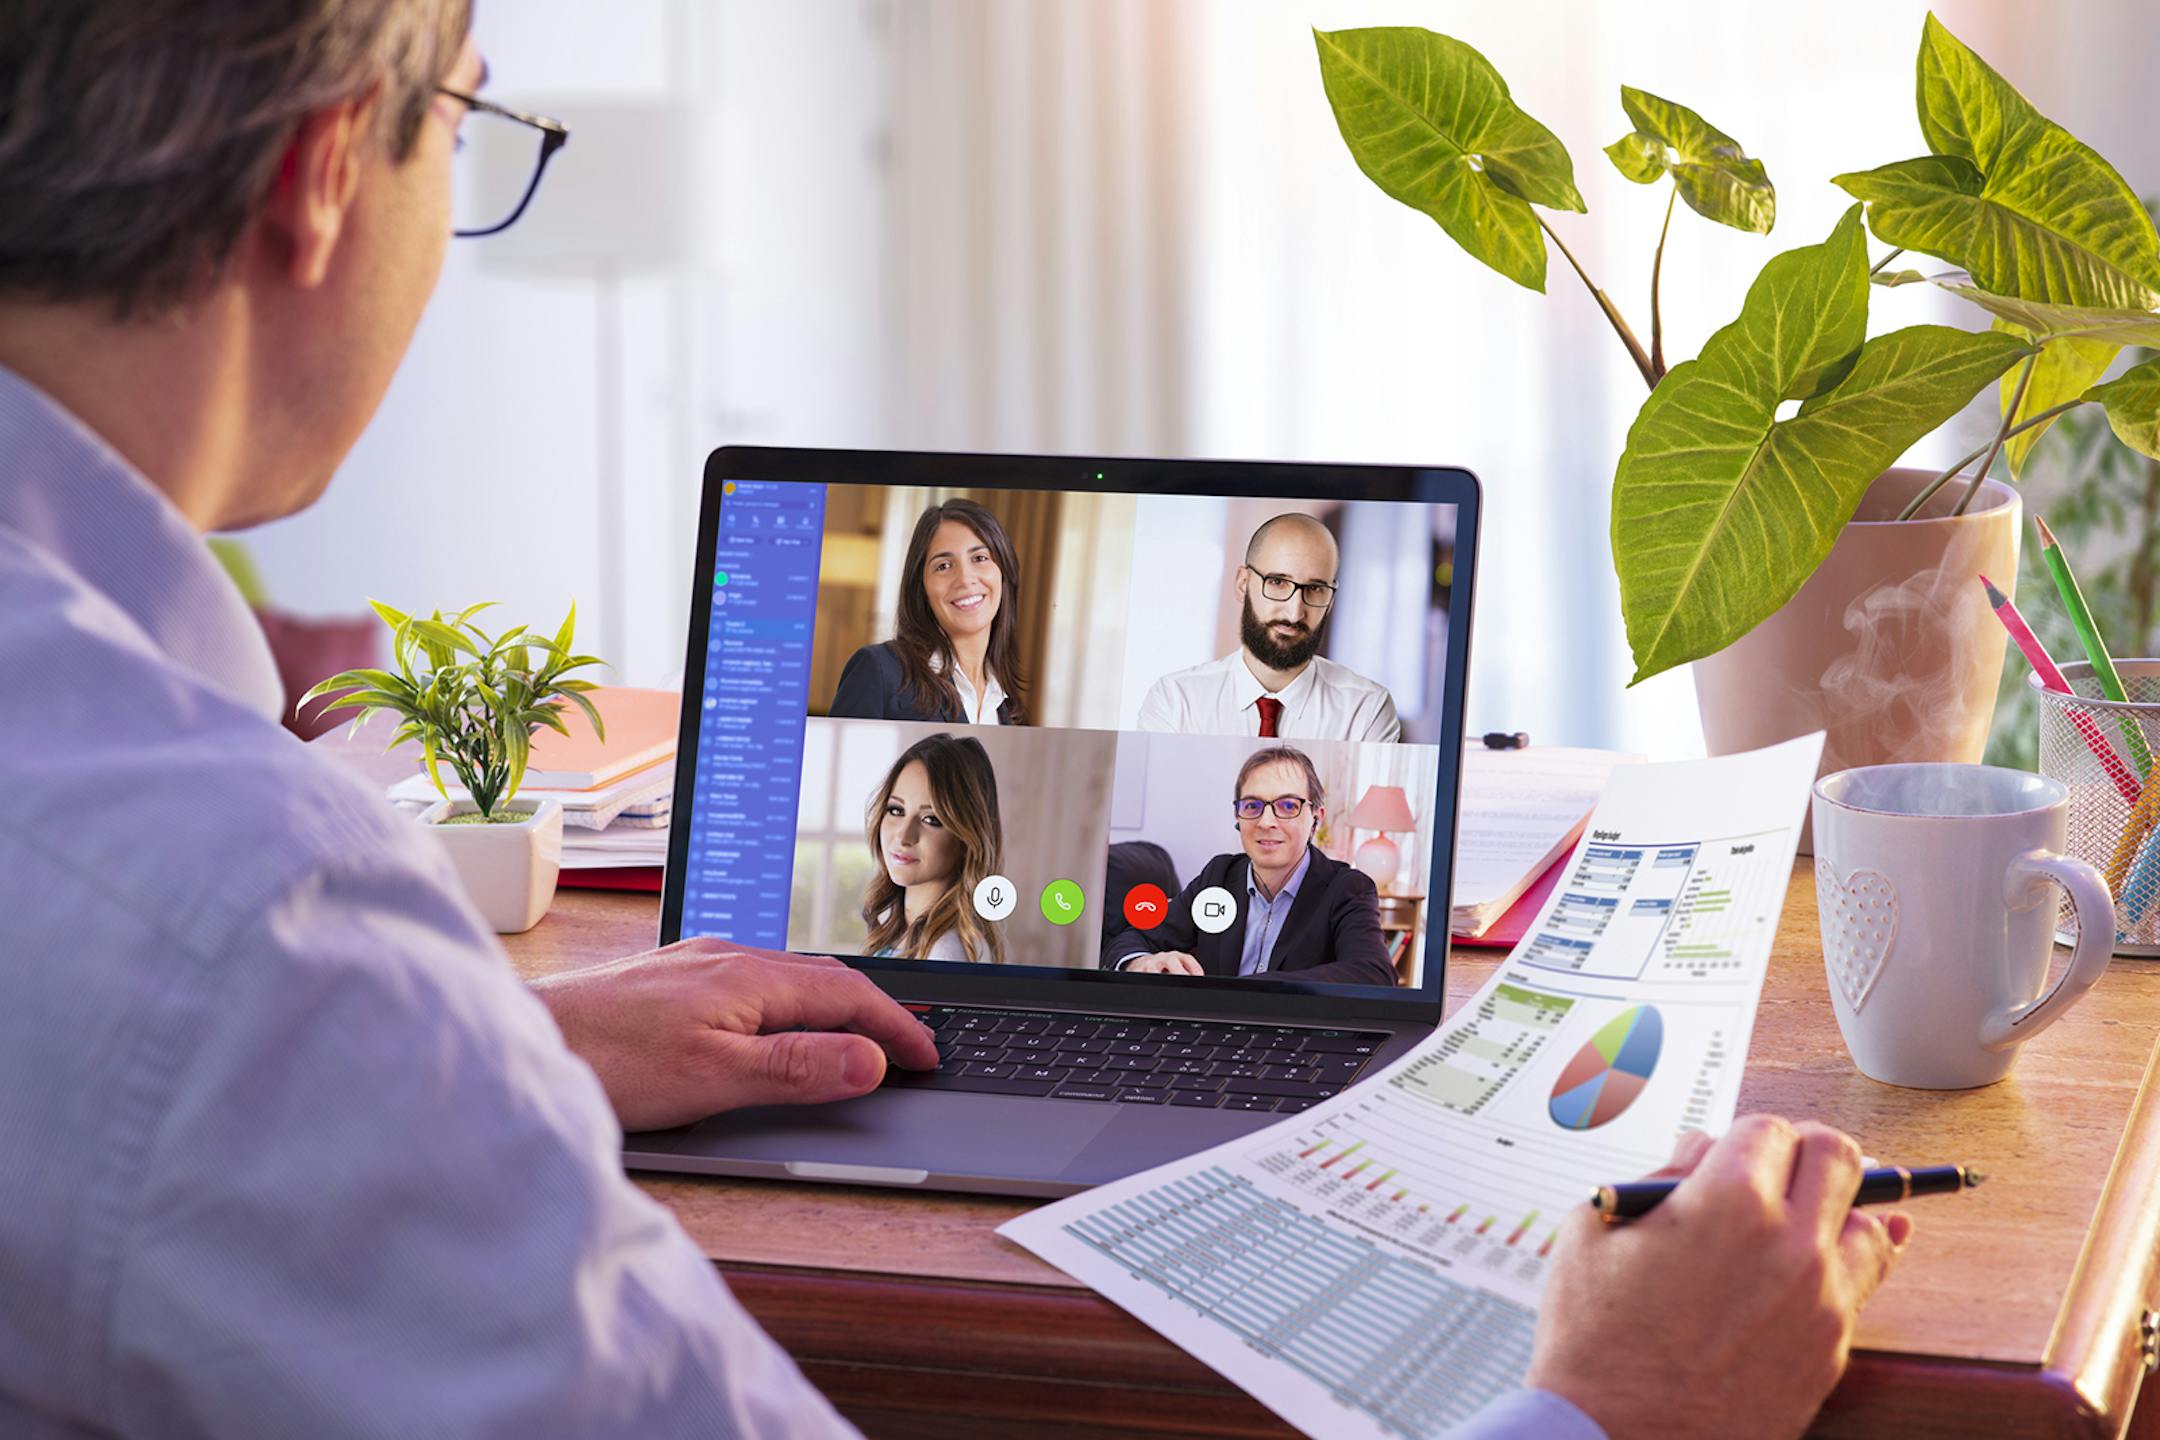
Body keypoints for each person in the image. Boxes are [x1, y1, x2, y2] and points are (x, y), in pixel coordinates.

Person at [0, 5, 1908, 1437]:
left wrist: (479, 1044)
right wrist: (1611, 1403)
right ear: (328, 164)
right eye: (467, 114)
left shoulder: (208, 910)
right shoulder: (251, 930)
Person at [1103, 746, 1395, 987]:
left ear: (1315, 818)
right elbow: (1132, 937)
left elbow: (1375, 974)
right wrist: (1140, 961)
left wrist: (1254, 990)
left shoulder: (1347, 888)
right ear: (1238, 816)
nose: (1266, 822)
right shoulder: (1218, 877)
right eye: (1252, 806)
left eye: (1288, 806)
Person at [1138, 511, 1400, 742]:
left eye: (1316, 589)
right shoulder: (1175, 702)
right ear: (1243, 583)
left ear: (1331, 599)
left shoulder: (1366, 710)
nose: (1295, 611)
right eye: (1277, 582)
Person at [828, 498, 1025, 725]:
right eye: (943, 566)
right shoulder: (880, 671)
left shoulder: (1008, 709)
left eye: (979, 558)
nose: (965, 579)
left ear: (1003, 572)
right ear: (921, 587)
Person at [859, 732, 1005, 964]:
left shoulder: (945, 952)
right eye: (896, 810)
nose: (904, 836)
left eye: (931, 820)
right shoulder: (899, 932)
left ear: (967, 839)